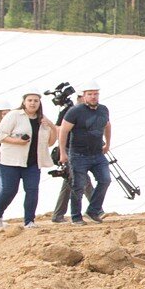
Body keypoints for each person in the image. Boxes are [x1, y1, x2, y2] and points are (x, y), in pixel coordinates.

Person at [0, 90, 59, 228]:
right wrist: (18, 141)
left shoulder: (42, 119)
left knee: (32, 189)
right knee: (10, 190)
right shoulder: (14, 115)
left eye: (36, 100)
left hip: (33, 162)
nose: (33, 103)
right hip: (11, 161)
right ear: (24, 102)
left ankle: (29, 221)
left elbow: (51, 142)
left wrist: (52, 126)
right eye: (30, 100)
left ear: (39, 103)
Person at [59, 80, 113, 225]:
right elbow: (63, 130)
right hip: (78, 154)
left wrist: (107, 143)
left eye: (96, 94)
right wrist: (63, 152)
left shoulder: (103, 109)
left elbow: (107, 126)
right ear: (84, 96)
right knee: (78, 185)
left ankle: (93, 211)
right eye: (90, 94)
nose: (93, 97)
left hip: (97, 154)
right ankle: (76, 217)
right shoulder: (75, 111)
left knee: (105, 180)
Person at [51, 88, 95, 223]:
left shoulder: (90, 112)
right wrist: (62, 151)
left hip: (82, 149)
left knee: (70, 180)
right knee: (81, 177)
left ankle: (58, 215)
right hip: (70, 149)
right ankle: (96, 208)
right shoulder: (68, 111)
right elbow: (59, 129)